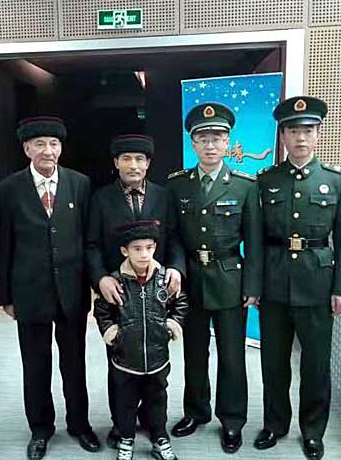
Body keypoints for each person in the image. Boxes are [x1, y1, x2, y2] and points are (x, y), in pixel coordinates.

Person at [254, 96, 341, 460]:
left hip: (317, 283)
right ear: (282, 135)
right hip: (274, 283)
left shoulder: (337, 180)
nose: (300, 138)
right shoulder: (266, 180)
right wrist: (254, 285)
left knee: (315, 365)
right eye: (293, 130)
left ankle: (312, 431)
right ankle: (275, 424)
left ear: (318, 134)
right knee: (273, 362)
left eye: (308, 130)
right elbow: (256, 237)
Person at [0, 115, 100, 460]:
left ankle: (80, 424)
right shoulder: (8, 189)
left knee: (75, 363)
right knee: (35, 365)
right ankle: (40, 429)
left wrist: (94, 286)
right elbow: (3, 245)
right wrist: (5, 295)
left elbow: (88, 238)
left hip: (71, 291)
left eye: (54, 144)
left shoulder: (79, 184)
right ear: (27, 149)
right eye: (39, 144)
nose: (48, 150)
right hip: (29, 292)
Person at [166, 102, 263, 454]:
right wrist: (176, 271)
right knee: (194, 352)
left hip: (229, 279)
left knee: (232, 355)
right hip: (191, 280)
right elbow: (173, 236)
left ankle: (232, 420)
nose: (210, 145)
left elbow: (254, 241)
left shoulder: (244, 186)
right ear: (193, 143)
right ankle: (196, 411)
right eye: (203, 138)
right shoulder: (177, 185)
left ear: (227, 143)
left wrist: (252, 286)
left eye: (217, 138)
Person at [85, 133, 186, 448]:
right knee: (120, 363)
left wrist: (177, 268)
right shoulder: (100, 198)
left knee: (155, 365)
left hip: (156, 292)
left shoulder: (163, 196)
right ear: (116, 163)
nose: (133, 165)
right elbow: (91, 244)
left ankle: (154, 423)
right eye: (126, 159)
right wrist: (101, 278)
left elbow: (175, 238)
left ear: (148, 163)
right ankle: (122, 424)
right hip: (119, 292)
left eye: (140, 159)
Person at [94, 220, 188, 460]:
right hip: (126, 360)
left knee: (158, 400)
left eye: (149, 248)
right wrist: (113, 333)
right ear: (124, 251)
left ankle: (159, 438)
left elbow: (181, 302)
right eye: (137, 249)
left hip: (157, 358)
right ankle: (126, 439)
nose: (144, 254)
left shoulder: (164, 278)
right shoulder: (117, 281)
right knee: (125, 402)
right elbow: (102, 309)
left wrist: (172, 325)